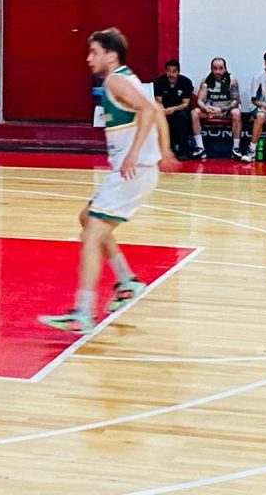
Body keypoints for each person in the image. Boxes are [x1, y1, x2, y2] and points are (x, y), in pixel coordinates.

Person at [39, 28, 176, 334]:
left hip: (133, 171)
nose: (89, 58)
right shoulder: (127, 79)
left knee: (91, 233)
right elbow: (155, 110)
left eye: (94, 52)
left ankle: (83, 312)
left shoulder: (115, 80)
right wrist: (164, 149)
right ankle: (126, 281)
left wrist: (135, 153)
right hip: (136, 171)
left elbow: (147, 110)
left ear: (111, 55)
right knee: (87, 218)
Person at [190, 57, 242, 160]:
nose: (218, 71)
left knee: (236, 113)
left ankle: (236, 148)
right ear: (211, 69)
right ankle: (200, 148)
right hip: (210, 110)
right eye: (215, 68)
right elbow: (200, 100)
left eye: (220, 68)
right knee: (194, 112)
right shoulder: (206, 81)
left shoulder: (232, 81)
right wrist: (205, 108)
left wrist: (221, 109)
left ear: (225, 69)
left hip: (226, 111)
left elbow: (235, 102)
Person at [152, 59, 194, 158]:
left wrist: (174, 109)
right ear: (165, 71)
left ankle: (182, 151)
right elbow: (158, 101)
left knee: (183, 116)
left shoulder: (186, 82)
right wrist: (163, 110)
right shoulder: (159, 82)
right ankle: (161, 149)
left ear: (178, 72)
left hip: (179, 110)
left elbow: (185, 103)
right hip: (164, 110)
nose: (171, 74)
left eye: (174, 71)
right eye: (169, 71)